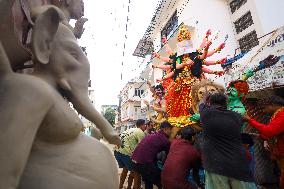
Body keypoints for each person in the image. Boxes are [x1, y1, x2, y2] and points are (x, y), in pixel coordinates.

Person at [199, 92, 256, 189]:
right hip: (237, 162)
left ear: (210, 103)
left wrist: (205, 97)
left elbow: (201, 103)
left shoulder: (205, 114)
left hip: (215, 164)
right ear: (226, 103)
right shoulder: (236, 117)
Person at [244, 95, 284, 188]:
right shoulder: (277, 114)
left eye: (264, 107)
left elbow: (270, 131)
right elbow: (275, 132)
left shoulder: (282, 114)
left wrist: (250, 120)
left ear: (272, 105)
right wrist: (259, 136)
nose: (263, 110)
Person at [132, 121, 173, 189]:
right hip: (144, 163)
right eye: (170, 130)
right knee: (162, 181)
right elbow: (169, 156)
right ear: (165, 129)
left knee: (149, 181)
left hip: (135, 161)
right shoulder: (164, 140)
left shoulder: (153, 135)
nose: (171, 132)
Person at [114, 119, 147, 189]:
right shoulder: (140, 132)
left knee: (125, 169)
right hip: (126, 152)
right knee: (136, 172)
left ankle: (121, 187)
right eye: (145, 125)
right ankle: (134, 187)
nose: (145, 126)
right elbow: (142, 147)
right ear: (141, 125)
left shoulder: (130, 129)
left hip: (117, 151)